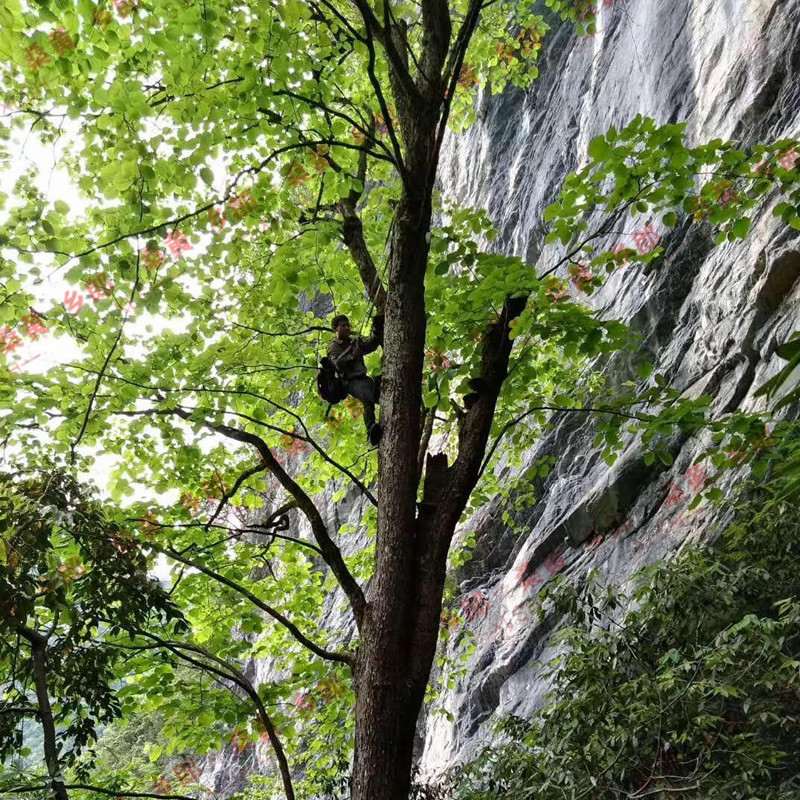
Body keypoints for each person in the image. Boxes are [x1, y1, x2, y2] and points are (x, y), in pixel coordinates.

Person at [327, 314, 382, 445]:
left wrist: (376, 331)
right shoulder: (333, 346)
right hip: (350, 382)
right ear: (336, 328)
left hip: (365, 379)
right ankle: (371, 432)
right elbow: (338, 364)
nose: (347, 328)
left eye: (348, 325)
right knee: (367, 398)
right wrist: (352, 356)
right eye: (343, 325)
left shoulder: (354, 341)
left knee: (383, 387)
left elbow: (370, 345)